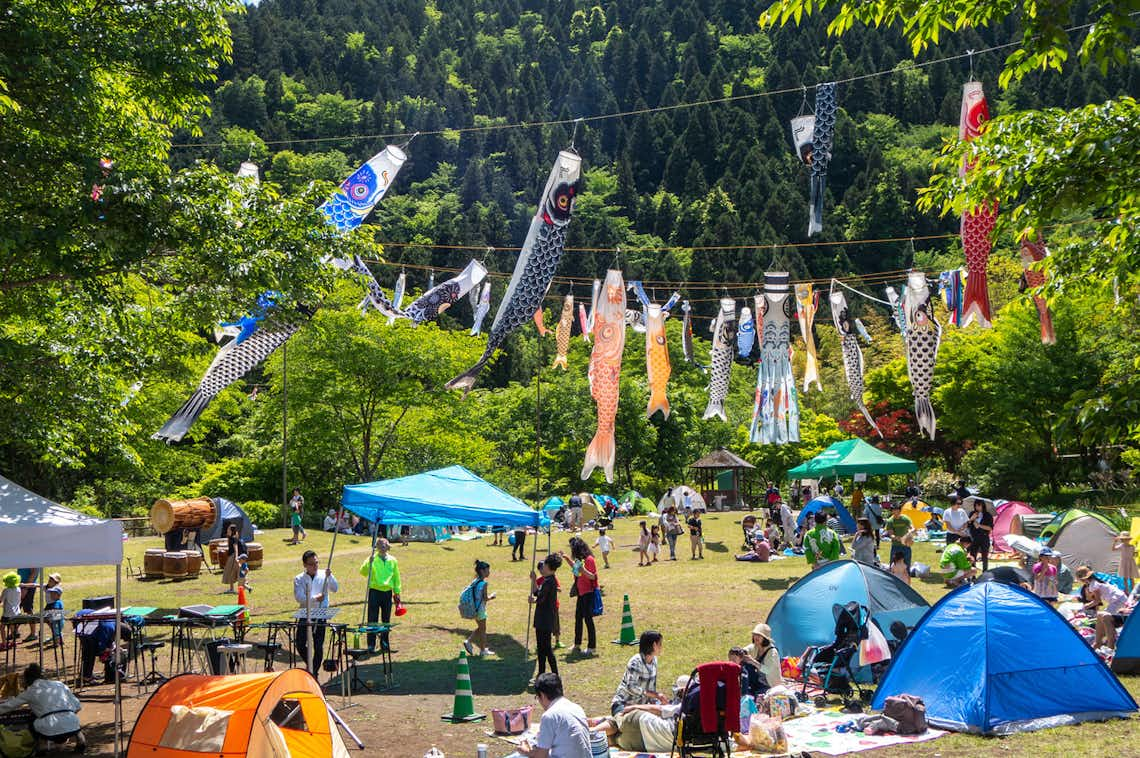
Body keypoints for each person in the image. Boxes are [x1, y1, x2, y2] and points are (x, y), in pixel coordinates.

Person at [590, 674, 688, 754]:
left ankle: (588, 734)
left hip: (641, 723)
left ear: (683, 691)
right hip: (643, 745)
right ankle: (589, 739)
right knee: (613, 740)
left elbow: (659, 710)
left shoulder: (684, 706)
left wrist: (635, 706)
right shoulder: (693, 732)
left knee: (615, 721)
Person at [0, 664, 85, 754]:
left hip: (48, 727)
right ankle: (81, 740)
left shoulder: (30, 691)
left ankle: (42, 746)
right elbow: (78, 705)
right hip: (72, 724)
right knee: (67, 719)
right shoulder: (60, 684)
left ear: (27, 679)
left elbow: (8, 706)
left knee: (33, 717)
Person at [517, 673, 590, 758]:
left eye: (537, 697)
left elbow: (541, 756)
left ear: (543, 695)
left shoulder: (549, 716)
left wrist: (526, 751)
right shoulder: (576, 707)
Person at [293, 550, 339, 675]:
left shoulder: (324, 574)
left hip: (321, 614)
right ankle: (311, 665)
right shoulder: (299, 578)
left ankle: (314, 672)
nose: (315, 566)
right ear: (305, 565)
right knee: (300, 644)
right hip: (305, 614)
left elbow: (335, 588)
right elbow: (299, 597)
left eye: (316, 563)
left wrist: (330, 576)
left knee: (318, 646)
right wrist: (315, 598)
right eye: (311, 564)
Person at [358, 537, 400, 653]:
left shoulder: (393, 560)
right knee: (372, 618)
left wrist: (397, 592)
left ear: (388, 546)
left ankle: (384, 643)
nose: (382, 546)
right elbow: (363, 572)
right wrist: (368, 564)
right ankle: (371, 644)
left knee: (386, 619)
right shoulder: (372, 558)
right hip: (375, 591)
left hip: (387, 592)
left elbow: (396, 577)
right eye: (380, 544)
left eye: (384, 544)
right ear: (376, 546)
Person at [612, 631, 666, 716]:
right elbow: (631, 687)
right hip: (623, 705)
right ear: (654, 645)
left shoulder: (654, 661)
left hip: (639, 707)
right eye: (660, 644)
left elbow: (652, 689)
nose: (661, 647)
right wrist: (654, 695)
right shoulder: (636, 662)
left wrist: (659, 702)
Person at [1077, 566, 1131, 650]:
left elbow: (1097, 601)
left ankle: (1107, 642)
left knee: (1105, 618)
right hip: (1119, 598)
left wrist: (1085, 606)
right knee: (1101, 616)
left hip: (1117, 600)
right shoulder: (1095, 582)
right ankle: (1100, 641)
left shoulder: (1093, 585)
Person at [530, 554, 563, 679]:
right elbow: (537, 592)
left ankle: (554, 674)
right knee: (541, 648)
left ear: (549, 567)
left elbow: (541, 598)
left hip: (545, 619)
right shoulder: (548, 580)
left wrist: (533, 601)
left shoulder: (549, 582)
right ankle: (542, 672)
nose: (541, 567)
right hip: (543, 619)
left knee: (546, 649)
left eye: (543, 565)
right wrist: (533, 580)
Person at [565, 537, 598, 655]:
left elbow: (593, 577)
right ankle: (577, 644)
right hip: (581, 593)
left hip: (588, 593)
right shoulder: (580, 560)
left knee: (588, 620)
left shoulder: (589, 559)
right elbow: (576, 570)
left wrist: (583, 570)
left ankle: (592, 647)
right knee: (578, 618)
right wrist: (567, 560)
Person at [463, 560, 496, 657]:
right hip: (480, 609)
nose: (489, 572)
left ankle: (473, 644)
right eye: (487, 570)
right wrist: (492, 596)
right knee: (483, 630)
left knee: (481, 628)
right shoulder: (484, 584)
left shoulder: (475, 581)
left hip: (474, 608)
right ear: (482, 571)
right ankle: (481, 649)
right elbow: (485, 598)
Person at [742, 622, 782, 688]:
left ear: (765, 638)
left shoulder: (772, 652)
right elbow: (747, 649)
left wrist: (753, 661)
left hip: (769, 684)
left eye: (759, 635)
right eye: (755, 634)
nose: (756, 637)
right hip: (758, 680)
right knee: (745, 665)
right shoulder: (756, 646)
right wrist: (742, 653)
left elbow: (768, 670)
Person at [884, 502, 915, 569]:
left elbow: (912, 528)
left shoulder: (905, 519)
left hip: (906, 545)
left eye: (896, 510)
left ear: (899, 510)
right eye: (893, 510)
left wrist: (910, 533)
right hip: (896, 545)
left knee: (906, 564)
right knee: (893, 565)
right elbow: (891, 534)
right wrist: (895, 537)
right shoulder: (890, 521)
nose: (895, 512)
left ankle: (906, 577)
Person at [967, 499, 993, 572]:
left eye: (979, 505)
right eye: (975, 506)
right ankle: (972, 572)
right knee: (973, 555)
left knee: (984, 556)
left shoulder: (987, 515)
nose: (977, 507)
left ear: (982, 506)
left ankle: (985, 572)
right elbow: (967, 525)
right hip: (974, 537)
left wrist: (979, 525)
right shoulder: (972, 513)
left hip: (984, 537)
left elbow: (990, 528)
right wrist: (971, 519)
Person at [17, 568, 39, 643]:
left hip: (28, 586)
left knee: (28, 609)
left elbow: (35, 572)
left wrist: (25, 588)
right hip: (20, 585)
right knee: (17, 607)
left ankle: (33, 634)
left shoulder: (33, 558)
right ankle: (15, 632)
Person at [222, 523, 245, 594]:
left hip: (233, 556)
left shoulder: (233, 538)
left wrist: (236, 557)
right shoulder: (231, 537)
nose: (227, 530)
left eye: (229, 529)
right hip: (231, 556)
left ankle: (242, 586)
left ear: (231, 530)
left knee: (233, 572)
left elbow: (236, 547)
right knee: (230, 573)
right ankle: (232, 588)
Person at [2, 572, 23, 650]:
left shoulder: (6, 590)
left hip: (7, 613)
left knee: (2, 628)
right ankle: (13, 643)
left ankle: (4, 644)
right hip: (16, 612)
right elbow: (19, 600)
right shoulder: (18, 589)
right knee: (13, 627)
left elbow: (1, 600)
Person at [43, 575, 64, 648]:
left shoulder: (57, 603)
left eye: (53, 593)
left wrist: (52, 617)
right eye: (51, 593)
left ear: (58, 595)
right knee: (55, 628)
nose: (51, 594)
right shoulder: (57, 602)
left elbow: (57, 617)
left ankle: (57, 643)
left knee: (56, 628)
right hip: (51, 610)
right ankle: (59, 639)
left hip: (56, 619)